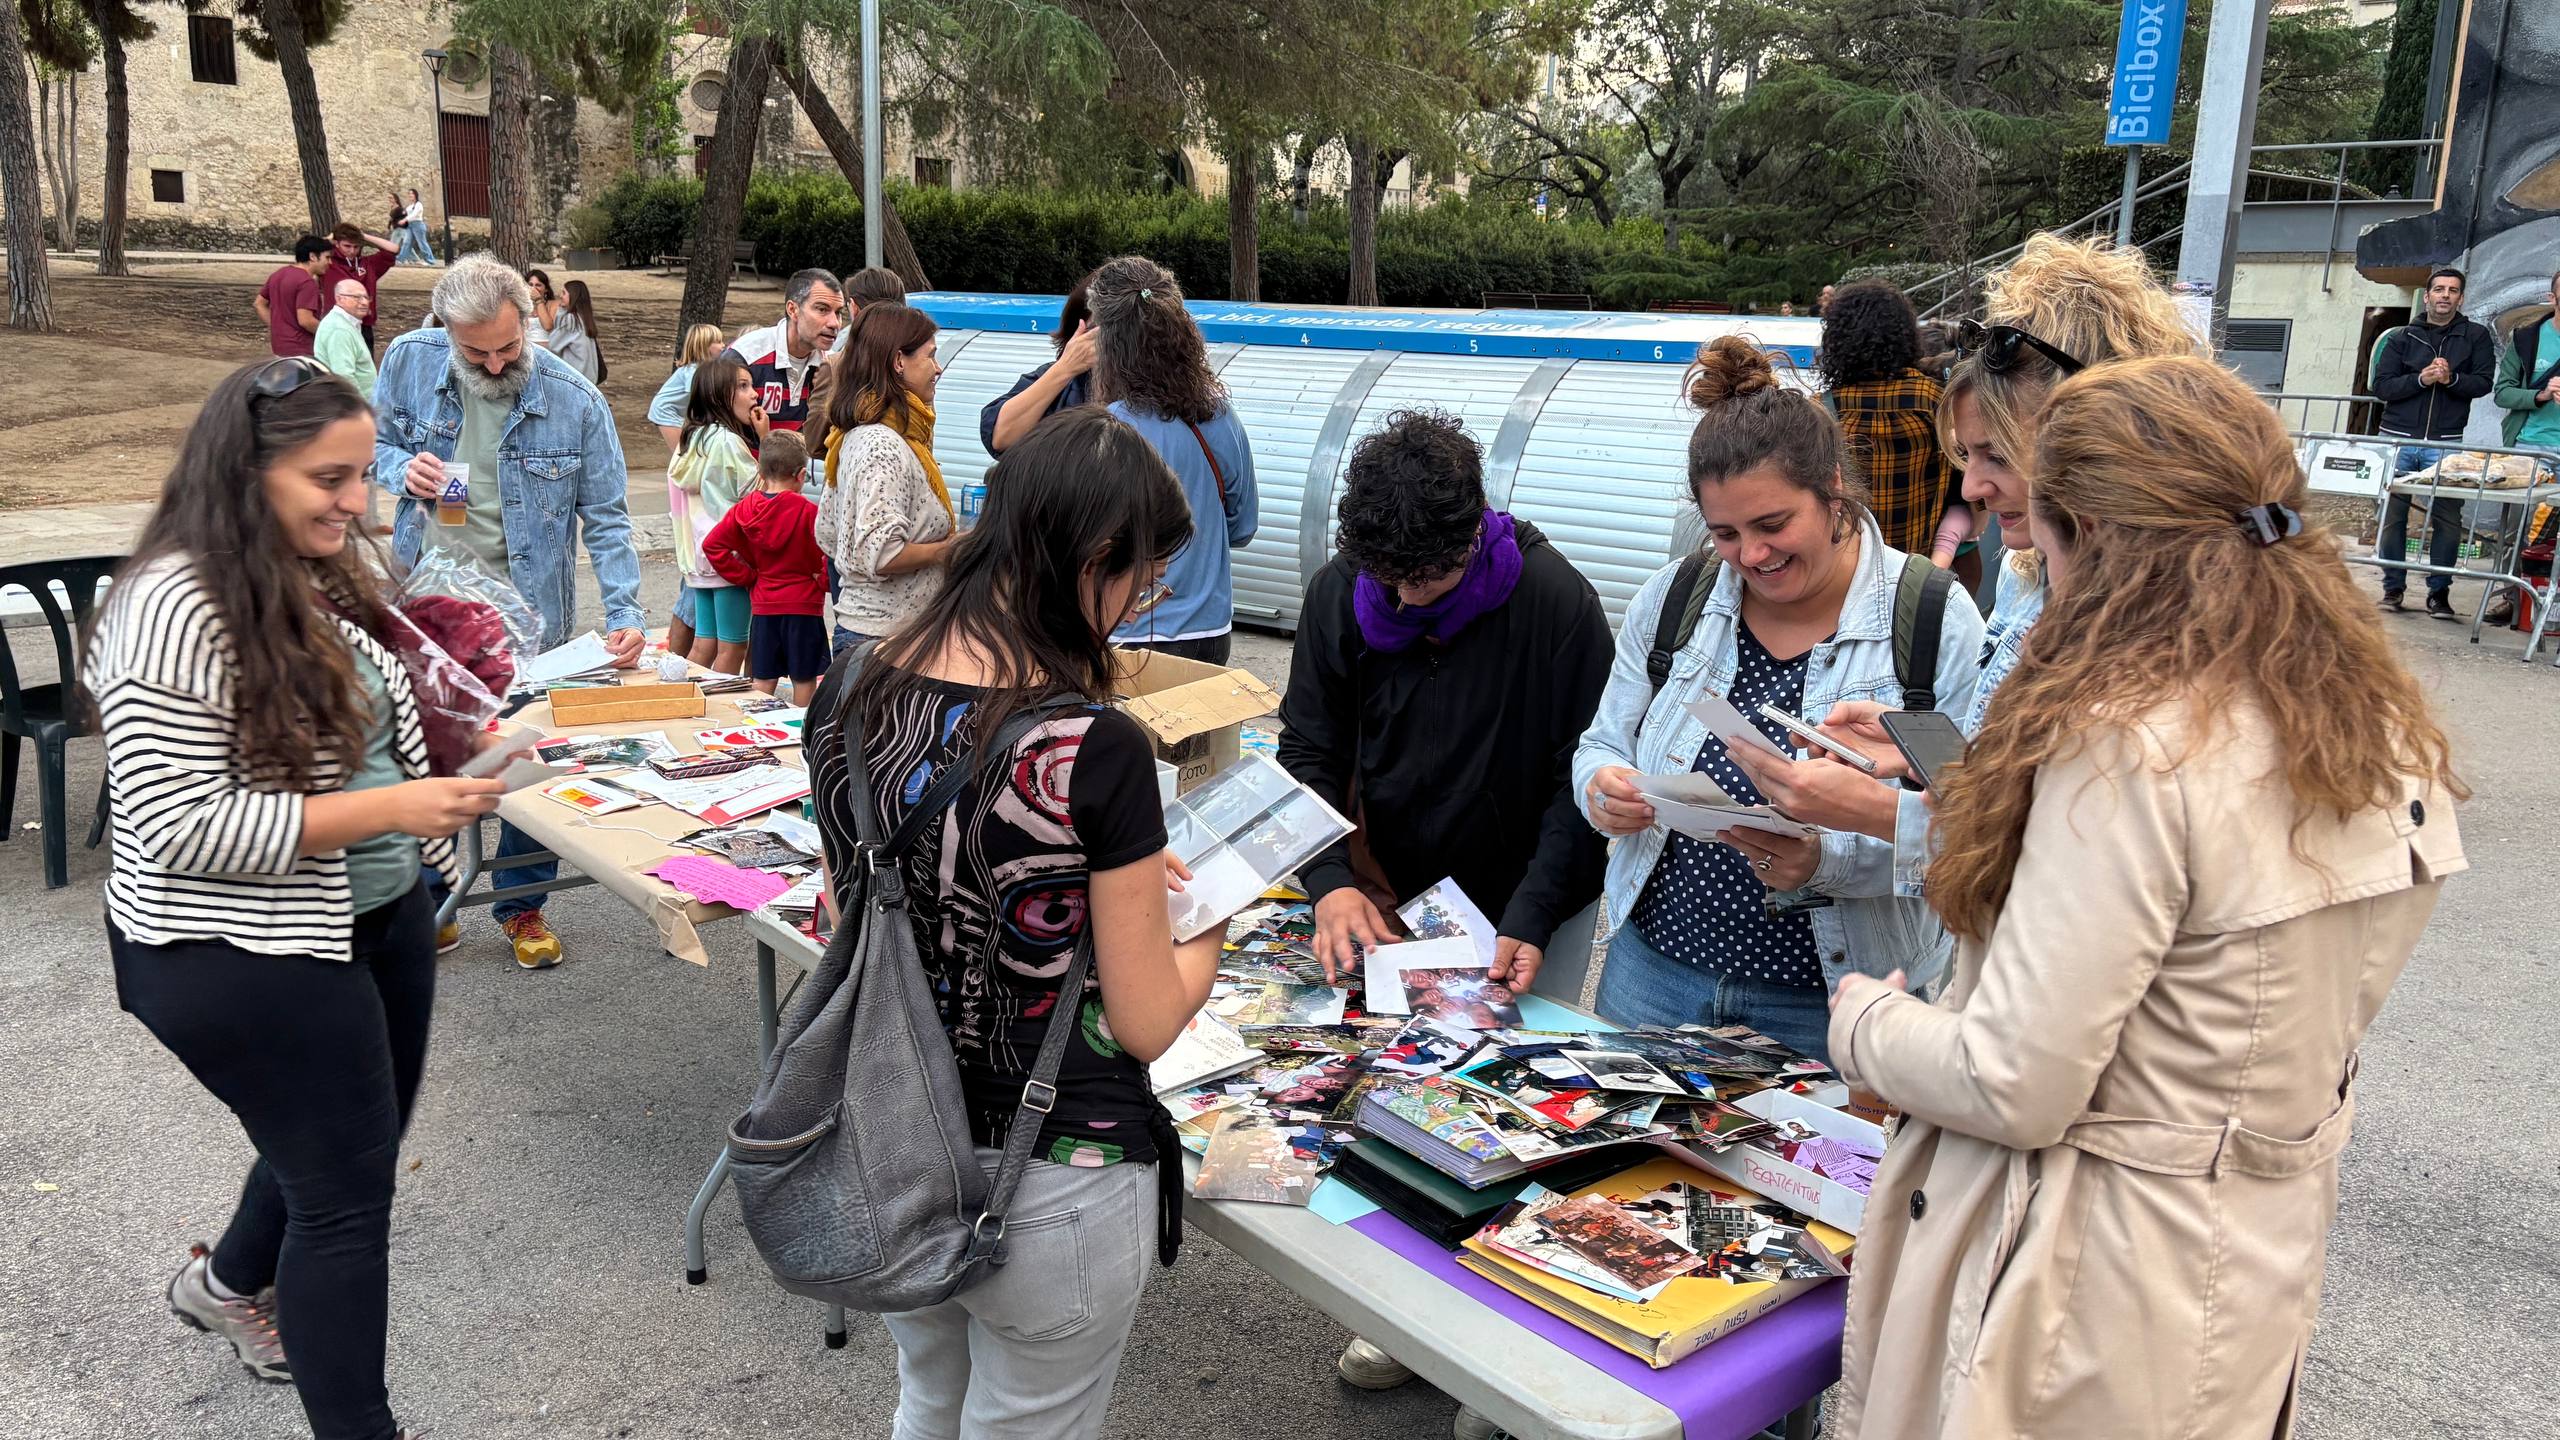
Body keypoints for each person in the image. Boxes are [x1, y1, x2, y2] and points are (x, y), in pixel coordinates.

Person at [1825, 354, 2467, 1440]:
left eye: (2045, 538)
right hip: (2251, 1249)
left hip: (2085, 1275)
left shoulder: (2131, 744)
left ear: (2093, 543)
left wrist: (1866, 1023)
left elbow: (2013, 1080)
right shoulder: (2370, 723)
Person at [87, 357, 510, 1440]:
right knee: (344, 1202)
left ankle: (225, 1286)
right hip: (242, 952)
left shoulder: (298, 565)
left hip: (372, 916)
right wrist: (394, 811)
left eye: (364, 475)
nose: (355, 501)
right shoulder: (171, 606)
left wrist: (471, 748)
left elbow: (359, 739)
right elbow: (180, 825)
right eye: (330, 477)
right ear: (247, 471)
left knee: (340, 1149)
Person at [803, 405, 1222, 1439]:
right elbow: (1145, 1021)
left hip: (895, 1142)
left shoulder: (847, 684)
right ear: (1090, 560)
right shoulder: (1094, 745)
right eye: (1142, 578)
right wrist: (1209, 911)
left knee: (927, 1400)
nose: (1140, 605)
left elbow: (843, 906)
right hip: (1054, 1175)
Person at [1275, 410, 1614, 1401]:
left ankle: (1494, 1364)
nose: (1404, 597)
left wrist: (1533, 914)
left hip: (1528, 892)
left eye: (1424, 578)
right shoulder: (1347, 590)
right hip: (1397, 895)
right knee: (1395, 1112)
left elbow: (1580, 784)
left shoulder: (1555, 604)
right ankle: (1403, 1320)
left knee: (1516, 1115)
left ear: (1473, 538)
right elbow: (1308, 752)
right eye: (1388, 579)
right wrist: (1331, 882)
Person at [1732, 234, 2202, 890]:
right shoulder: (2030, 577)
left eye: (2000, 456)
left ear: (2097, 446)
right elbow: (2006, 770)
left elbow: (2074, 870)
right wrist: (1923, 746)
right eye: (1969, 456)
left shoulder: (2171, 636)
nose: (1976, 486)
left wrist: (1880, 814)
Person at [1572, 337, 1984, 1060]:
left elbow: (1970, 838)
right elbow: (1601, 743)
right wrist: (1603, 791)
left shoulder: (1930, 618)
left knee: (1823, 1176)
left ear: (1832, 492)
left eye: (1772, 526)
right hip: (1654, 975)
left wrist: (1824, 859)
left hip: (1837, 1003)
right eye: (1725, 534)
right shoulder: (1675, 598)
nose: (1752, 556)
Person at [375, 254, 647, 970]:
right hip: (427, 611)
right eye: (476, 352)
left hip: (528, 620)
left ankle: (520, 905)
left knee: (522, 764)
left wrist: (626, 610)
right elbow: (370, 446)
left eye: (508, 347)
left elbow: (610, 519)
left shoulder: (574, 398)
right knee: (425, 761)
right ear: (445, 329)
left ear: (528, 322)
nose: (495, 365)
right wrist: (399, 468)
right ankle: (434, 896)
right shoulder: (407, 359)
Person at [1087, 256, 1257, 663]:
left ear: (1109, 343)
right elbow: (1243, 527)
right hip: (1209, 632)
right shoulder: (1218, 416)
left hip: (1121, 632)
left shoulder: (1107, 430)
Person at [816, 302, 955, 655]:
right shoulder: (882, 445)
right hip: (884, 640)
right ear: (898, 361)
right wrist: (946, 551)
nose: (938, 368)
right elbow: (880, 554)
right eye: (930, 356)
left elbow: (828, 532)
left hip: (878, 633)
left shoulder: (857, 435)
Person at [1818, 281, 1970, 589]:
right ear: (1905, 334)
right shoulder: (1938, 401)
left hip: (1847, 581)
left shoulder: (1821, 414)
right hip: (1919, 577)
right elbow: (1964, 498)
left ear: (1837, 340)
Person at [2373, 266, 2497, 619]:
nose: (2445, 295)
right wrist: (2422, 380)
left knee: (2447, 519)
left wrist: (2451, 377)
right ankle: (2393, 588)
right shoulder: (2400, 337)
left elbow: (2483, 384)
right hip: (2396, 439)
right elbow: (2383, 387)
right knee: (2392, 518)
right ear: (2426, 296)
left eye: (2453, 290)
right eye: (2439, 289)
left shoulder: (2475, 336)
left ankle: (2439, 594)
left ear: (2461, 298)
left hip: (2445, 442)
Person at [702, 429, 828, 698]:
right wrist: (824, 582)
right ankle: (799, 733)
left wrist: (747, 576)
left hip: (764, 604)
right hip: (804, 605)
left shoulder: (743, 510)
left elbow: (712, 546)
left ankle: (759, 725)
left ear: (761, 474)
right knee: (804, 678)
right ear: (801, 475)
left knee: (763, 677)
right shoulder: (810, 513)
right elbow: (830, 552)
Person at [673, 352, 767, 678]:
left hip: (700, 555)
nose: (754, 394)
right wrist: (766, 440)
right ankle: (715, 707)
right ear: (719, 394)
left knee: (705, 642)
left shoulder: (693, 438)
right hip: (730, 557)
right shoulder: (728, 442)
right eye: (743, 386)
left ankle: (686, 699)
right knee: (733, 646)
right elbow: (761, 492)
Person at [650, 323, 729, 659]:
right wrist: (679, 436)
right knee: (697, 601)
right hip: (706, 546)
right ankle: (681, 665)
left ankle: (679, 665)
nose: (724, 346)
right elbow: (659, 408)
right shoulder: (694, 376)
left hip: (695, 542)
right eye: (718, 342)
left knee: (696, 596)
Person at [982, 273, 1101, 457]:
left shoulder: (1154, 387)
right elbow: (1001, 437)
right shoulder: (1064, 380)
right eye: (1098, 330)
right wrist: (1065, 368)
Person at [728, 267, 847, 435]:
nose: (835, 323)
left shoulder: (833, 366)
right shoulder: (746, 356)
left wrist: (828, 394)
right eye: (822, 309)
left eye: (839, 312)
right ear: (793, 310)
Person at [322, 222, 401, 352]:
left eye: (356, 247)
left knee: (365, 367)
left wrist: (363, 236)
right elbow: (309, 250)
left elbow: (393, 249)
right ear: (336, 244)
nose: (352, 251)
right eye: (347, 246)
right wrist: (329, 239)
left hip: (364, 325)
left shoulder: (368, 264)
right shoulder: (328, 264)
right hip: (337, 325)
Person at [255, 236, 332, 358]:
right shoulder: (307, 282)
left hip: (279, 348)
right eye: (327, 258)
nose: (330, 262)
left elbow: (259, 304)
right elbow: (306, 321)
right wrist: (331, 335)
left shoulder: (278, 274)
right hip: (301, 351)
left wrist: (278, 327)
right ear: (312, 257)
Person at [313, 279, 378, 402]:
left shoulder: (347, 323)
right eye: (357, 297)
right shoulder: (339, 329)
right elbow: (345, 377)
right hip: (354, 408)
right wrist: (362, 410)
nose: (364, 302)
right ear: (339, 299)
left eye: (366, 297)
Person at [546, 278, 606, 384]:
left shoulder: (571, 320)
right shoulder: (584, 318)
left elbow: (553, 345)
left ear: (573, 296)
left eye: (564, 293)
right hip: (589, 377)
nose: (560, 296)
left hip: (576, 378)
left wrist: (560, 310)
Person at [395, 188, 438, 266]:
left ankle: (430, 261)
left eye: (412, 193)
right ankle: (400, 260)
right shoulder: (410, 206)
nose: (410, 195)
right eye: (409, 193)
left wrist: (405, 219)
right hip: (409, 226)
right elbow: (405, 213)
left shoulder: (419, 204)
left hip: (418, 225)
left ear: (415, 195)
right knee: (406, 243)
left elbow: (414, 214)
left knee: (422, 243)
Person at [525, 268, 558, 350]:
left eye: (538, 285)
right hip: (526, 350)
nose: (533, 288)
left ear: (546, 289)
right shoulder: (522, 306)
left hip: (546, 350)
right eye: (530, 285)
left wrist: (538, 300)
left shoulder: (553, 304)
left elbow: (548, 326)